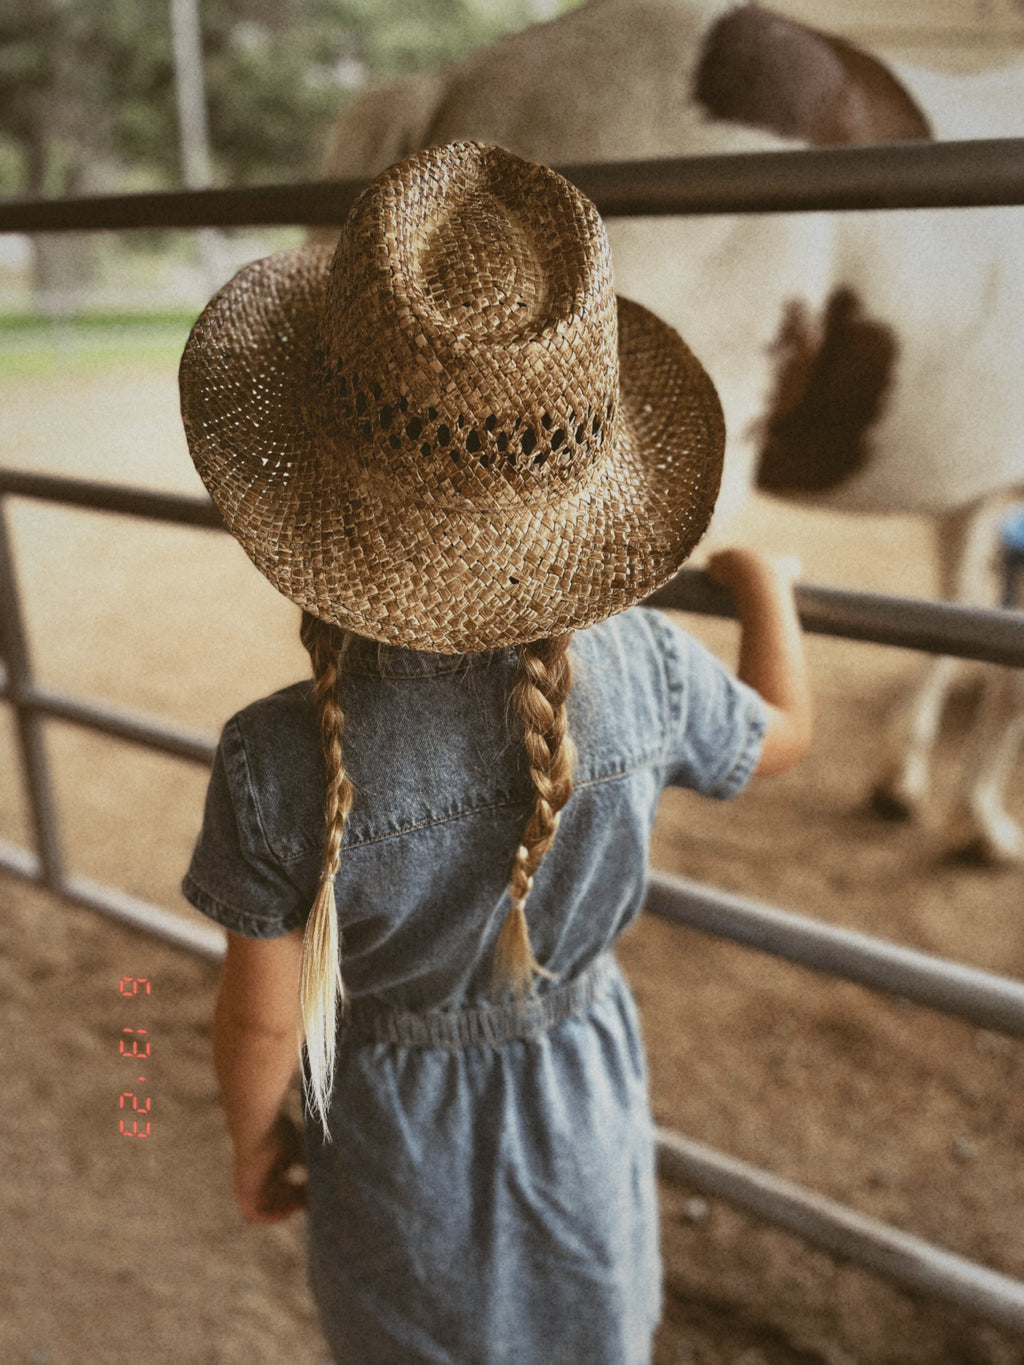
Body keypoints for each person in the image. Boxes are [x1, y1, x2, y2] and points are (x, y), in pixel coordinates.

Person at [180, 140, 812, 1365]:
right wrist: (766, 591)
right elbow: (781, 741)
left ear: (314, 505)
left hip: (386, 1140)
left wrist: (253, 1145)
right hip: (582, 1110)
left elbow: (260, 1027)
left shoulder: (275, 759)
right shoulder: (648, 665)